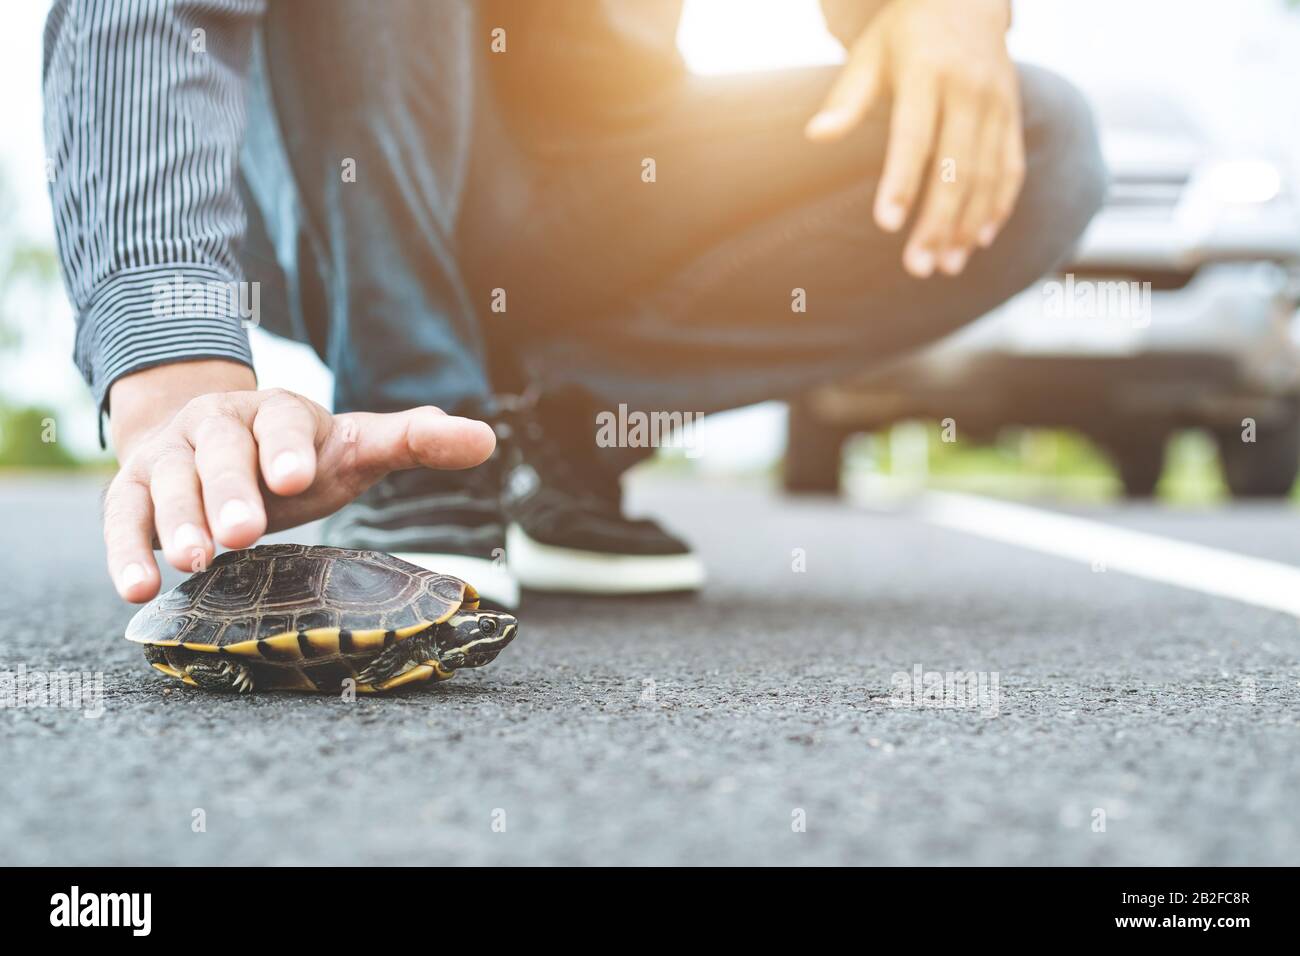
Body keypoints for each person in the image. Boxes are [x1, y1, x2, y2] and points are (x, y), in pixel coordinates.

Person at [43, 0, 1105, 610]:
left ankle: (550, 433)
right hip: (328, 175)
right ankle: (419, 413)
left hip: (595, 179)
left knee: (1036, 137)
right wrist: (172, 363)